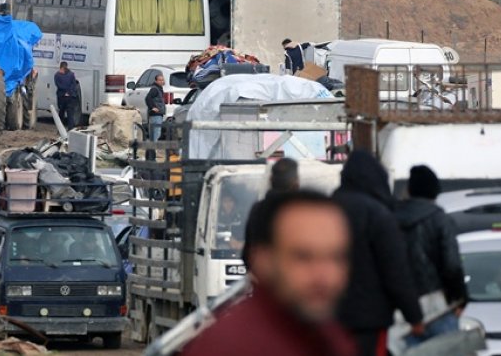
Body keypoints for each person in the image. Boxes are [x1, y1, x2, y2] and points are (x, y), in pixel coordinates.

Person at [180, 191, 355, 356]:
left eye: (336, 257)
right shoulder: (229, 346)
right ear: (263, 260)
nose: (324, 277)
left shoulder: (328, 335)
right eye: (303, 257)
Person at [333, 151, 424, 356]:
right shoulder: (377, 215)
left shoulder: (325, 210)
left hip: (327, 319)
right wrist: (414, 317)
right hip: (369, 319)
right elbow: (395, 270)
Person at [396, 165, 467, 346]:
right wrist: (459, 298)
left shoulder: (390, 218)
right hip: (438, 306)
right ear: (435, 192)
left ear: (410, 190)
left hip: (401, 309)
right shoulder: (440, 220)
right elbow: (452, 265)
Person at [244, 158, 300, 265]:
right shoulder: (305, 212)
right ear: (296, 182)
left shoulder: (258, 210)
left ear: (271, 179)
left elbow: (248, 254)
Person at [145, 72, 167, 157]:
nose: (162, 81)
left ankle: (152, 152)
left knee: (154, 135)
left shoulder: (159, 88)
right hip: (156, 115)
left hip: (158, 115)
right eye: (160, 80)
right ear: (156, 81)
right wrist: (153, 107)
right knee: (156, 134)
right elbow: (148, 98)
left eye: (162, 80)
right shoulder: (155, 89)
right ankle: (154, 153)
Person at [53, 62, 80, 130]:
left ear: (61, 68)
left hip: (62, 96)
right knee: (70, 114)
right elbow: (74, 85)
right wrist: (69, 92)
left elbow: (58, 85)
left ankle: (60, 129)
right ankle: (70, 129)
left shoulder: (57, 75)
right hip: (70, 97)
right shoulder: (71, 75)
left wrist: (65, 92)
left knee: (61, 113)